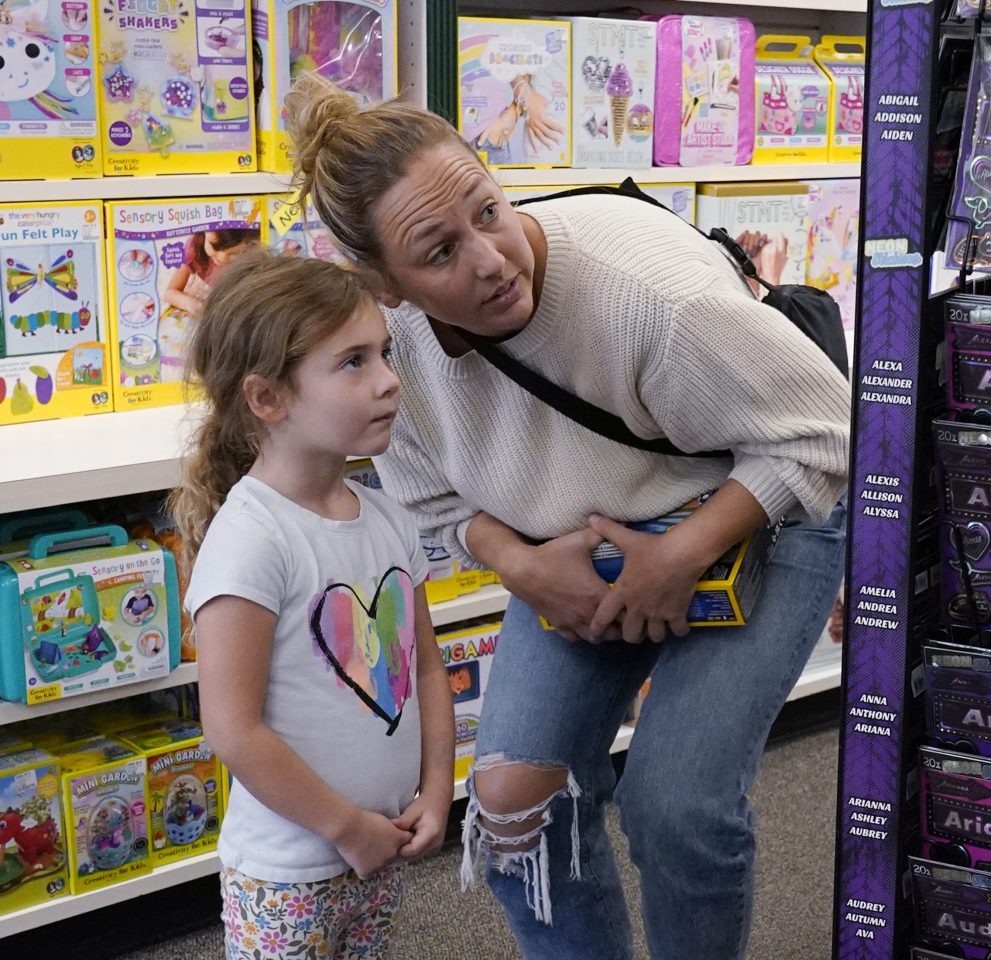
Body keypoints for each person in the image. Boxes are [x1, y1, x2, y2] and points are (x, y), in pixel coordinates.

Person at [286, 73, 850, 960]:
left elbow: (827, 432)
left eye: (488, 210)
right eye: (437, 253)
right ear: (387, 287)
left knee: (678, 804)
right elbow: (428, 495)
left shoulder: (652, 299)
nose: (489, 259)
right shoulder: (386, 348)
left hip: (762, 509)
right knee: (514, 801)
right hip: (572, 552)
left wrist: (687, 552)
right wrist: (517, 564)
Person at [171, 251, 455, 958]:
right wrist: (345, 827)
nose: (390, 381)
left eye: (384, 354)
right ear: (267, 398)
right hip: (288, 872)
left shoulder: (386, 517)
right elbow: (233, 731)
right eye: (353, 362)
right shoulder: (252, 540)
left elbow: (424, 668)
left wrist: (439, 787)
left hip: (375, 847)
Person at [160, 229, 255, 317]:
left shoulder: (253, 259)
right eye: (214, 246)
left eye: (233, 254)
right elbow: (170, 292)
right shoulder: (194, 249)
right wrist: (195, 305)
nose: (222, 258)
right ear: (204, 232)